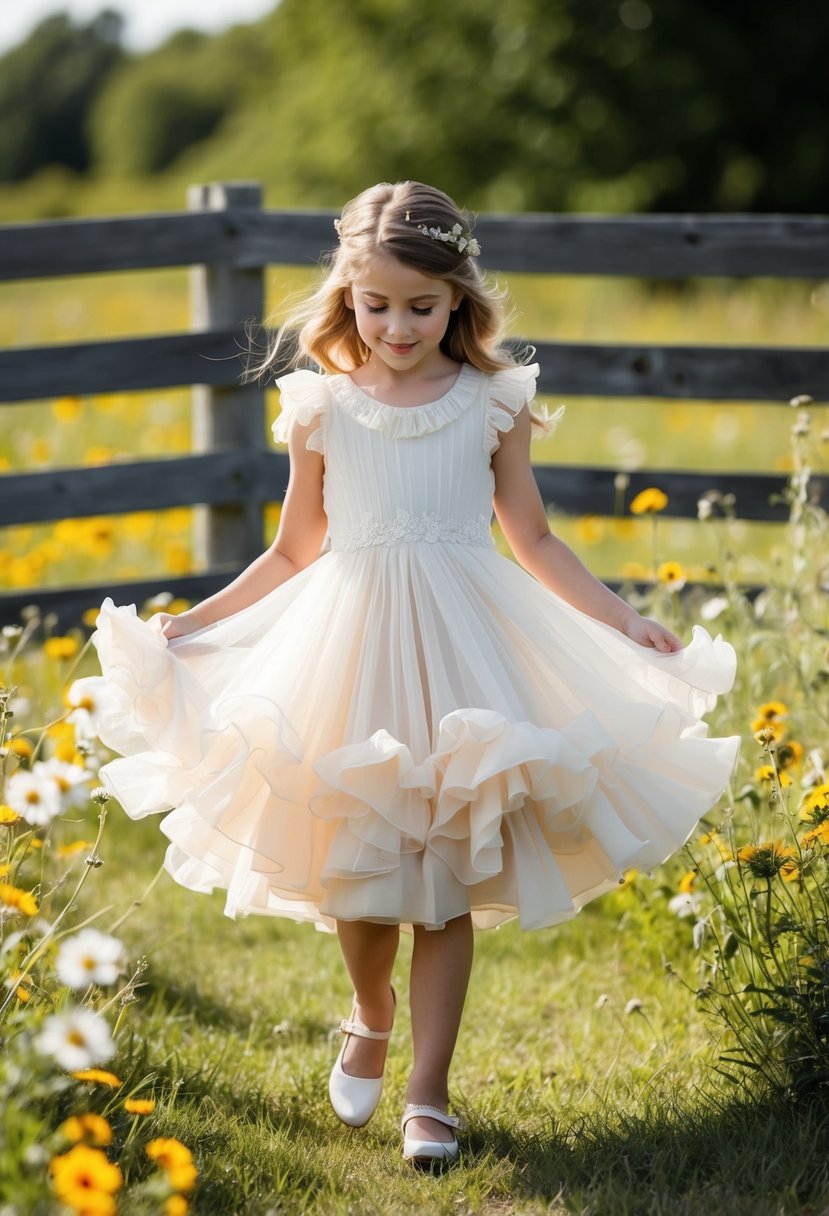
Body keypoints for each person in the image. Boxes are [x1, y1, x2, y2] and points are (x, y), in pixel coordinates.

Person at [72, 181, 740, 1168]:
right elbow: (294, 549)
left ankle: (428, 1093)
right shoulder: (321, 405)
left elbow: (534, 538)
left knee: (450, 877)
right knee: (363, 870)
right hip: (347, 645)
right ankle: (371, 1008)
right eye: (375, 304)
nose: (396, 326)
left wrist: (624, 617)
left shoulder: (492, 401)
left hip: (467, 646)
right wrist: (196, 623)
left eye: (420, 307)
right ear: (347, 297)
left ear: (458, 302)